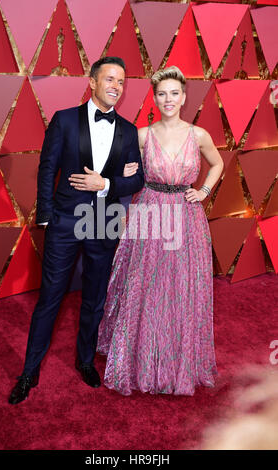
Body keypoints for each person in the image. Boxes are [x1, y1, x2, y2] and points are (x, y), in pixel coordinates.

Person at [8, 57, 144, 405]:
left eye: (122, 82)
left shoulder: (128, 130)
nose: (116, 86)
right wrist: (47, 217)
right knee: (50, 297)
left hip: (105, 222)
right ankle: (29, 371)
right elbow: (47, 167)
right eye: (110, 79)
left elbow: (137, 178)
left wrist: (106, 183)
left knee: (94, 299)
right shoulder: (65, 120)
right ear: (93, 82)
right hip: (65, 221)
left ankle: (85, 361)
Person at [97, 66, 224, 396]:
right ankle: (142, 357)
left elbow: (218, 163)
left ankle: (174, 361)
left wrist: (205, 191)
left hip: (186, 215)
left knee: (180, 287)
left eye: (174, 94)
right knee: (147, 286)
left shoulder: (198, 135)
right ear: (154, 98)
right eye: (162, 94)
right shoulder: (141, 135)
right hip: (150, 212)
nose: (168, 99)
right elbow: (128, 172)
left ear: (183, 98)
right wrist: (124, 170)